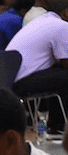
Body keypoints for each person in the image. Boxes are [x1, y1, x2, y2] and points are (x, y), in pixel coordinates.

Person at [6, 0, 68, 134]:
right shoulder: (62, 26)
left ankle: (55, 123)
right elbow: (66, 63)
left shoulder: (43, 20)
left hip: (11, 77)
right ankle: (59, 125)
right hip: (22, 83)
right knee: (65, 76)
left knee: (58, 73)